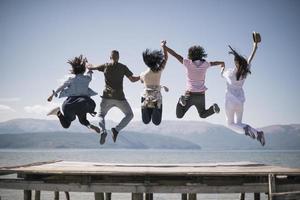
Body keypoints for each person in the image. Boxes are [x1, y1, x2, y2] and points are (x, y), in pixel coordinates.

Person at [221, 32, 265, 146]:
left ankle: (247, 130)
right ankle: (257, 133)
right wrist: (255, 46)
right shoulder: (245, 71)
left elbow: (222, 74)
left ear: (235, 63)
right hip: (240, 102)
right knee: (239, 123)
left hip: (230, 102)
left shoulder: (229, 73)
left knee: (230, 124)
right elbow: (250, 58)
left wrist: (222, 69)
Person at [87, 50, 140, 145]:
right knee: (130, 115)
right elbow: (133, 79)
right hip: (120, 98)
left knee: (101, 115)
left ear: (110, 57)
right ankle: (116, 130)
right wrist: (142, 77)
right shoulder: (123, 67)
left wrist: (87, 64)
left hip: (106, 97)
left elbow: (92, 67)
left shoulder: (105, 66)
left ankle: (103, 131)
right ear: (118, 58)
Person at [163, 42, 224, 119]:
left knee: (179, 115)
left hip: (189, 95)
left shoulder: (188, 63)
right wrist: (222, 63)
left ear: (190, 55)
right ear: (201, 54)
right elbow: (214, 63)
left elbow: (175, 55)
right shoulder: (205, 64)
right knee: (202, 114)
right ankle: (213, 108)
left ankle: (180, 101)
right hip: (201, 96)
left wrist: (164, 47)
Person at [47, 55, 100, 134]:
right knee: (83, 120)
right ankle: (90, 126)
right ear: (83, 70)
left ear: (74, 71)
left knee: (66, 124)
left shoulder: (71, 79)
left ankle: (58, 113)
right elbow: (89, 73)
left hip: (69, 104)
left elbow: (61, 87)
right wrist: (89, 69)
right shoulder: (87, 79)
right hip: (83, 103)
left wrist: (52, 95)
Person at [140, 41, 168, 125]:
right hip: (156, 96)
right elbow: (165, 58)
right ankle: (155, 106)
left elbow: (141, 80)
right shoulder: (158, 71)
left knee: (146, 121)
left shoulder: (143, 74)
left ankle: (145, 106)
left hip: (146, 96)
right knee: (156, 122)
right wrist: (163, 46)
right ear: (156, 62)